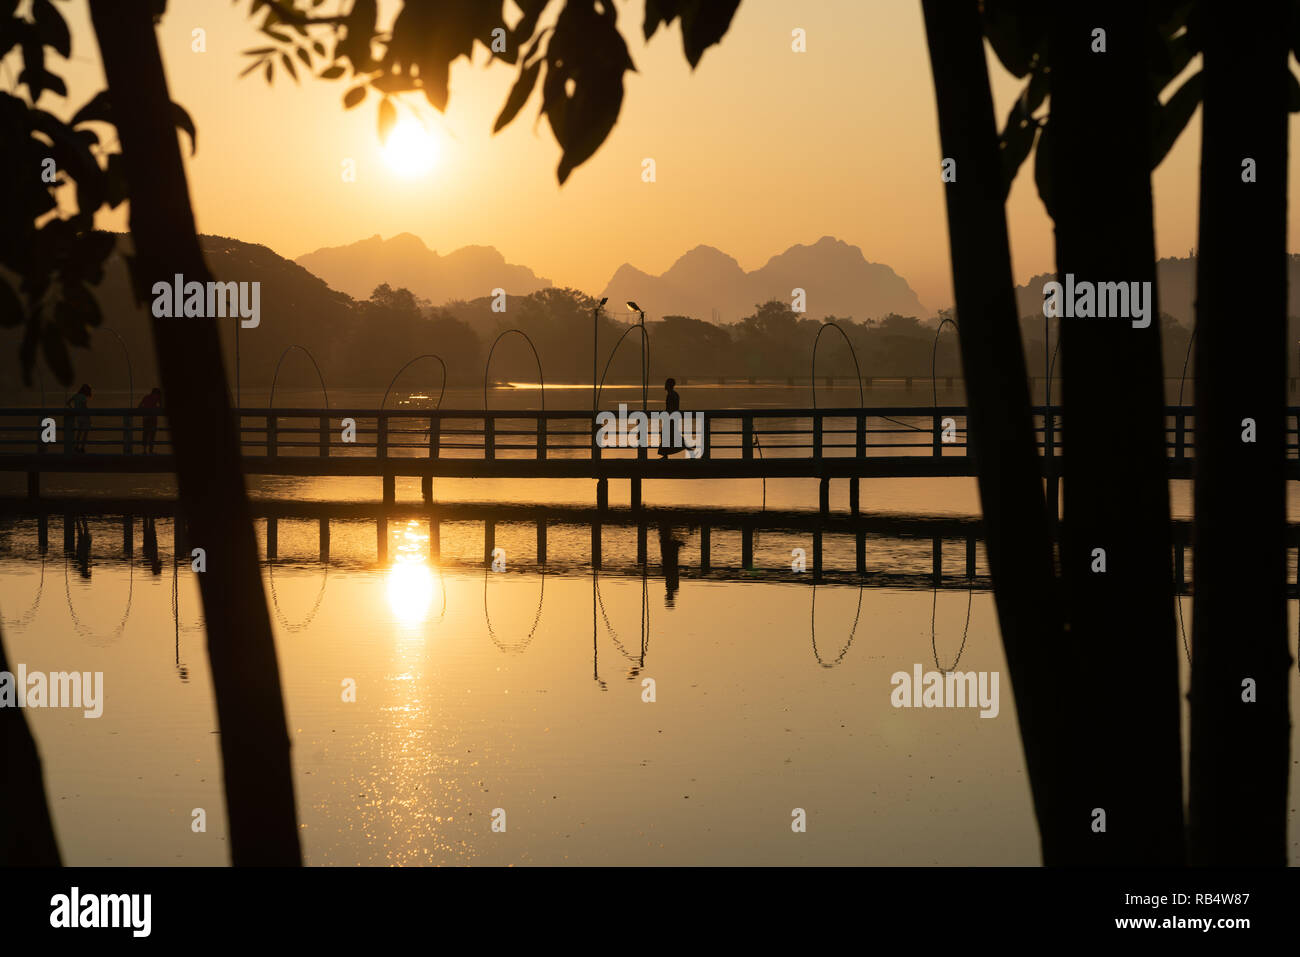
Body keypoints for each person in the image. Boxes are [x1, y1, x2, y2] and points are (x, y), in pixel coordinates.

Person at [658, 377, 683, 457]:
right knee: (669, 435)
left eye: (666, 384)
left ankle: (665, 454)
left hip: (670, 419)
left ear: (669, 385)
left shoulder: (671, 395)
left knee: (667, 435)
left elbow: (671, 408)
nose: (664, 385)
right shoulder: (674, 394)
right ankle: (665, 454)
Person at [67, 384, 92, 453]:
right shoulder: (83, 397)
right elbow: (84, 407)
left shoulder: (76, 396)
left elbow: (68, 402)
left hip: (78, 416)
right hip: (84, 416)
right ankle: (82, 447)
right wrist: (89, 416)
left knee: (79, 432)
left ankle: (76, 446)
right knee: (85, 432)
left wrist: (73, 409)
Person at [138, 387, 162, 454]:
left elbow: (139, 407)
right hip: (152, 419)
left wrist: (144, 412)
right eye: (158, 394)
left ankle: (145, 450)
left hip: (147, 419)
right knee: (151, 435)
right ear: (155, 394)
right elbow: (160, 407)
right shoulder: (156, 399)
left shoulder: (146, 397)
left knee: (146, 435)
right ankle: (149, 450)